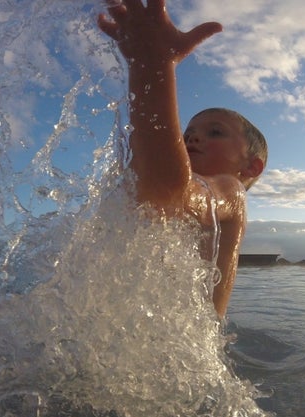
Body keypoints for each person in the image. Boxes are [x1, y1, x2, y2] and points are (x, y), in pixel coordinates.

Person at [97, 0, 267, 318]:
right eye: (187, 131)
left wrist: (153, 63)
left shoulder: (232, 193)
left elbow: (169, 187)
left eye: (215, 132)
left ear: (251, 166)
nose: (191, 137)